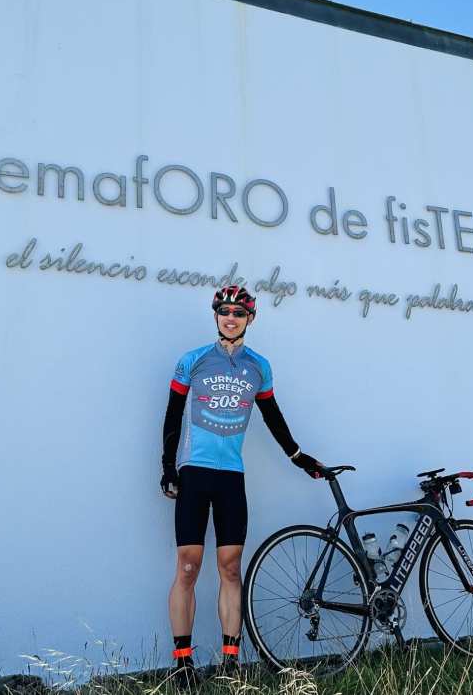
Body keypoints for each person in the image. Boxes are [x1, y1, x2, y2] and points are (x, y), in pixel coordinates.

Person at [160, 285, 323, 687]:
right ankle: (183, 662)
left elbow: (272, 415)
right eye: (224, 312)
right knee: (187, 567)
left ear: (250, 318)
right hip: (195, 472)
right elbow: (172, 415)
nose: (230, 318)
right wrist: (168, 467)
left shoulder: (259, 367)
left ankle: (230, 662)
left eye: (238, 313)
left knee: (231, 568)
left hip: (231, 476)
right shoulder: (192, 361)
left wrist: (298, 456)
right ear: (216, 316)